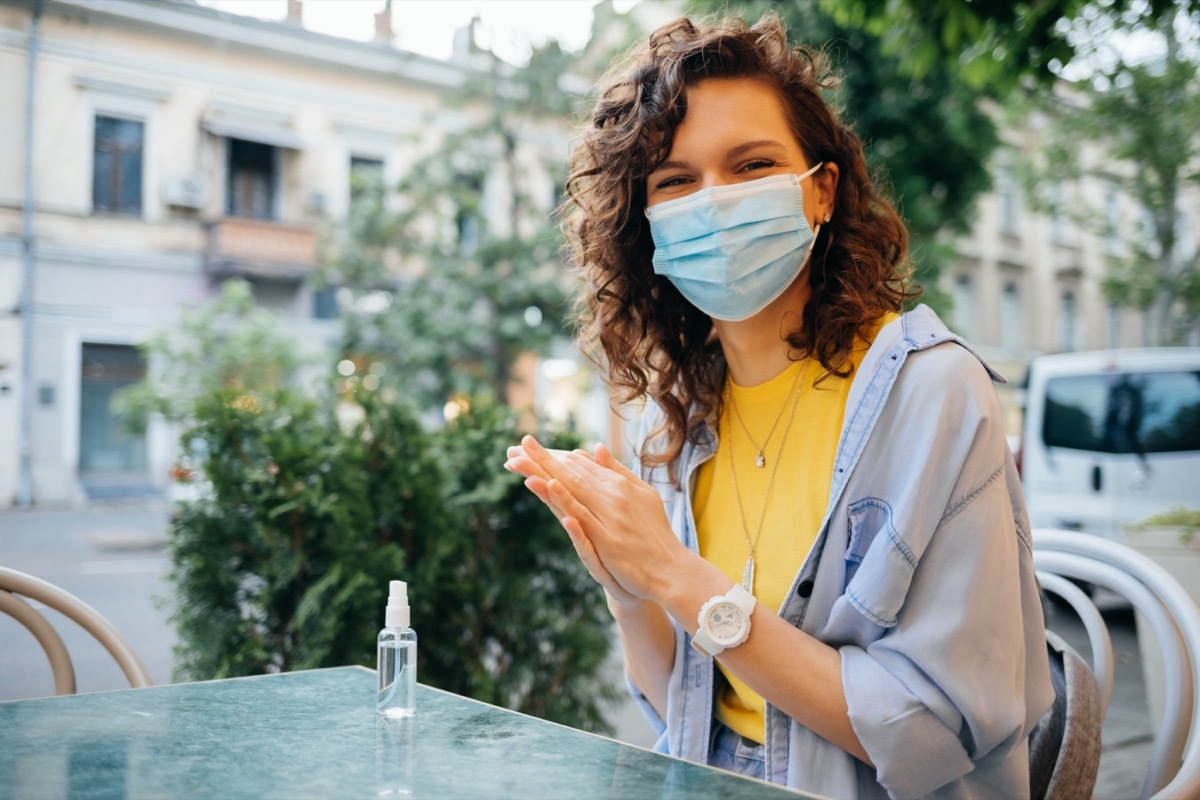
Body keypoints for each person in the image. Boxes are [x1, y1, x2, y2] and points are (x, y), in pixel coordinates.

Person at [504, 13, 1054, 799]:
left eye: (752, 164)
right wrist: (631, 587)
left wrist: (677, 575)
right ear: (648, 227)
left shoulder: (932, 392)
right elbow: (682, 708)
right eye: (676, 181)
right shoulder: (675, 417)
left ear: (821, 190)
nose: (715, 202)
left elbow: (931, 734)